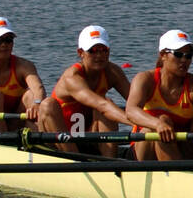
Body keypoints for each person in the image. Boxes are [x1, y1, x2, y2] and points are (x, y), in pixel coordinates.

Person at [125, 29, 193, 161]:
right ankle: (177, 173)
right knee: (163, 120)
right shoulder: (145, 79)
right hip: (145, 151)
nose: (184, 60)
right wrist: (157, 124)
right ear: (163, 55)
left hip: (182, 149)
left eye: (188, 56)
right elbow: (131, 111)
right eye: (179, 54)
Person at [37, 25, 133, 156]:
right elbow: (103, 106)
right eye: (92, 51)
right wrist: (135, 121)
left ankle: (110, 165)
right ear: (80, 53)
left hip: (86, 135)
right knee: (48, 104)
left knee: (107, 104)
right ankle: (74, 161)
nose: (99, 55)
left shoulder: (113, 72)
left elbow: (137, 103)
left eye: (103, 50)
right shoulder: (72, 77)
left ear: (109, 51)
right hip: (58, 140)